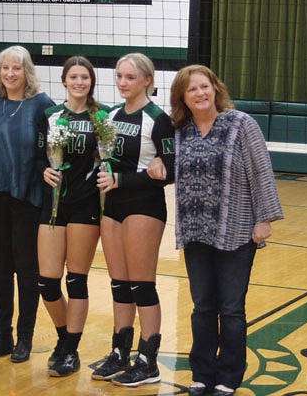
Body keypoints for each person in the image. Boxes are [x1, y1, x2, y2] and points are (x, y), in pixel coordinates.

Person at [149, 65, 283, 396]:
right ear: (182, 96)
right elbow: (165, 165)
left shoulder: (241, 124)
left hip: (237, 230)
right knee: (202, 307)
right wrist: (157, 166)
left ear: (215, 88)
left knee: (232, 308)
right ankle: (202, 373)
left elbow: (261, 170)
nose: (200, 93)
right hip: (196, 231)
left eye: (204, 86)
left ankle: (230, 375)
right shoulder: (179, 130)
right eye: (192, 89)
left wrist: (264, 218)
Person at [92, 53, 175, 387]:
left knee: (142, 284)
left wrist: (127, 180)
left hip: (144, 206)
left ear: (147, 80)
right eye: (119, 76)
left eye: (130, 77)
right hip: (112, 206)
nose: (123, 83)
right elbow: (104, 158)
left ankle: (148, 360)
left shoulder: (158, 119)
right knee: (119, 283)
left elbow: (170, 170)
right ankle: (119, 351)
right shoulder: (109, 115)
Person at [0, 45, 54, 363]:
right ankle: (1, 336)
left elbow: (50, 152)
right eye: (5, 68)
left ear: (27, 72)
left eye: (16, 68)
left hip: (26, 196)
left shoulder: (42, 105)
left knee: (26, 268)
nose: (9, 73)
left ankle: (25, 339)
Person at [37, 56, 106, 377]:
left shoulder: (101, 116)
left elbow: (111, 157)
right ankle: (64, 337)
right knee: (47, 282)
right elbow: (38, 156)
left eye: (85, 78)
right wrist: (44, 170)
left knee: (76, 279)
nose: (79, 82)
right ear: (64, 80)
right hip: (52, 205)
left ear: (91, 82)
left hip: (85, 204)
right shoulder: (50, 115)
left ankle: (69, 350)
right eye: (74, 77)